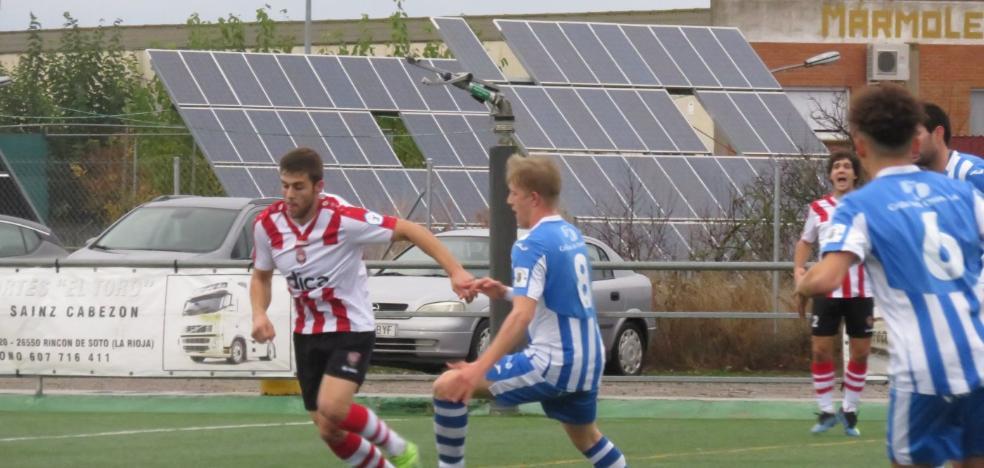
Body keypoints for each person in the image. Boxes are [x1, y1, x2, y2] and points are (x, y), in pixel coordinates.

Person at [794, 83, 984, 468]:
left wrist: (802, 282)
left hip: (924, 370)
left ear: (859, 145)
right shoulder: (962, 194)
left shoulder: (859, 206)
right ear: (915, 141)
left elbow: (827, 279)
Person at [250, 147, 475, 468]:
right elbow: (261, 277)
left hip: (350, 329)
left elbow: (412, 230)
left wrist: (456, 271)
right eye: (284, 185)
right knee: (328, 429)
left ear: (318, 186)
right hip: (307, 333)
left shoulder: (343, 219)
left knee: (334, 407)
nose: (289, 194)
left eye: (298, 187)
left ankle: (397, 446)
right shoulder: (266, 225)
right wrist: (259, 313)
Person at [431, 155, 628, 468]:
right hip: (589, 360)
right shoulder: (570, 234)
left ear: (533, 198)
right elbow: (558, 299)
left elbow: (521, 317)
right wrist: (506, 292)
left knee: (447, 386)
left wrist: (477, 367)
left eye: (514, 193)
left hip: (556, 362)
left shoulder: (530, 245)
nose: (509, 201)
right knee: (587, 437)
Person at [793, 150, 872, 437]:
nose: (841, 170)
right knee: (820, 349)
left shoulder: (868, 207)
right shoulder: (819, 208)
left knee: (862, 354)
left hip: (862, 290)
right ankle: (826, 409)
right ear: (830, 175)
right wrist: (799, 271)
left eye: (847, 166)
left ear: (854, 174)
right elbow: (805, 242)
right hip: (826, 290)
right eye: (836, 166)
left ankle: (849, 410)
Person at [914, 101, 984, 191]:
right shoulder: (908, 178)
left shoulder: (972, 174)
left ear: (938, 134)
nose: (908, 142)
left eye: (916, 134)